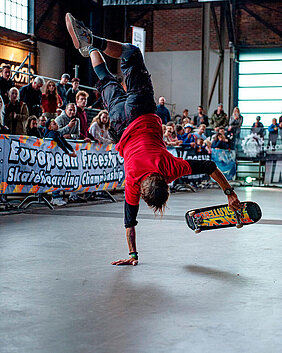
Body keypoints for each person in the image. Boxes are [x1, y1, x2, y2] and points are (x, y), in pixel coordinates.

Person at [66, 13, 241, 266]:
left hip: (141, 111)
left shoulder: (170, 168)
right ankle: (89, 47)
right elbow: (130, 224)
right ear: (144, 193)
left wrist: (230, 193)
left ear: (167, 185)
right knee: (104, 78)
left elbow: (211, 167)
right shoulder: (133, 184)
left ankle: (94, 39)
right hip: (118, 123)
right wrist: (133, 255)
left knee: (132, 54)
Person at [44, 118, 77, 206]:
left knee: (58, 176)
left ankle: (56, 196)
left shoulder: (57, 133)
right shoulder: (51, 134)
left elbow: (65, 142)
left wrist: (71, 150)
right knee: (54, 176)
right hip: (50, 159)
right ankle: (55, 197)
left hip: (57, 159)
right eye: (54, 124)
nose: (56, 124)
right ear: (50, 127)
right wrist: (68, 153)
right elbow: (60, 143)